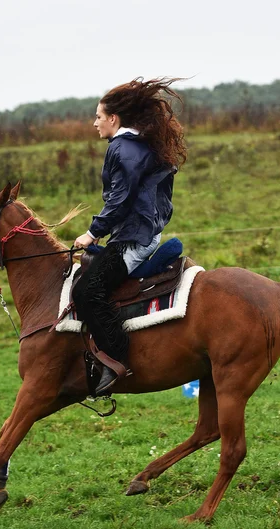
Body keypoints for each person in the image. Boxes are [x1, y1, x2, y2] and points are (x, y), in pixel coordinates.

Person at [73, 77, 187, 395]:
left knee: (86, 292)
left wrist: (92, 233)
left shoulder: (121, 149)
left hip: (133, 239)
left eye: (98, 117)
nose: (94, 123)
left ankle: (115, 359)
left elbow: (119, 201)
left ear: (113, 119)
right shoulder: (138, 146)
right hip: (141, 232)